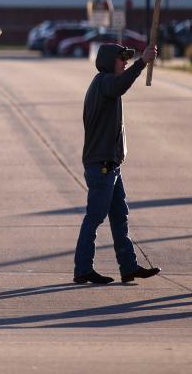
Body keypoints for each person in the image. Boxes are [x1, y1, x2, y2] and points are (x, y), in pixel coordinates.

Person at [73, 42, 161, 285]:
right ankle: (82, 269)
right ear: (109, 61)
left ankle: (128, 266)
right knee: (95, 216)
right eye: (121, 59)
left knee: (120, 216)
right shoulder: (104, 82)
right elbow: (121, 86)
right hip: (101, 165)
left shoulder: (106, 84)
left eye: (127, 59)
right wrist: (142, 62)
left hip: (111, 165)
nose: (125, 63)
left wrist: (141, 62)